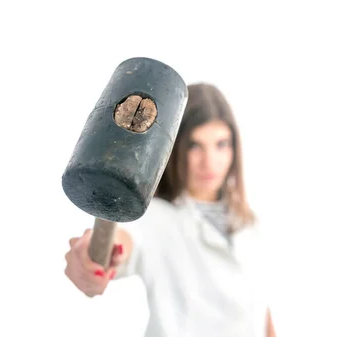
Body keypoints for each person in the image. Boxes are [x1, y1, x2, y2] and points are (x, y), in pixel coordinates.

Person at [64, 82, 277, 337]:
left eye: (221, 144)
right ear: (174, 148)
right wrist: (93, 257)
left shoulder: (249, 223)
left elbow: (259, 310)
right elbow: (123, 241)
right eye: (194, 146)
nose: (209, 161)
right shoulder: (154, 218)